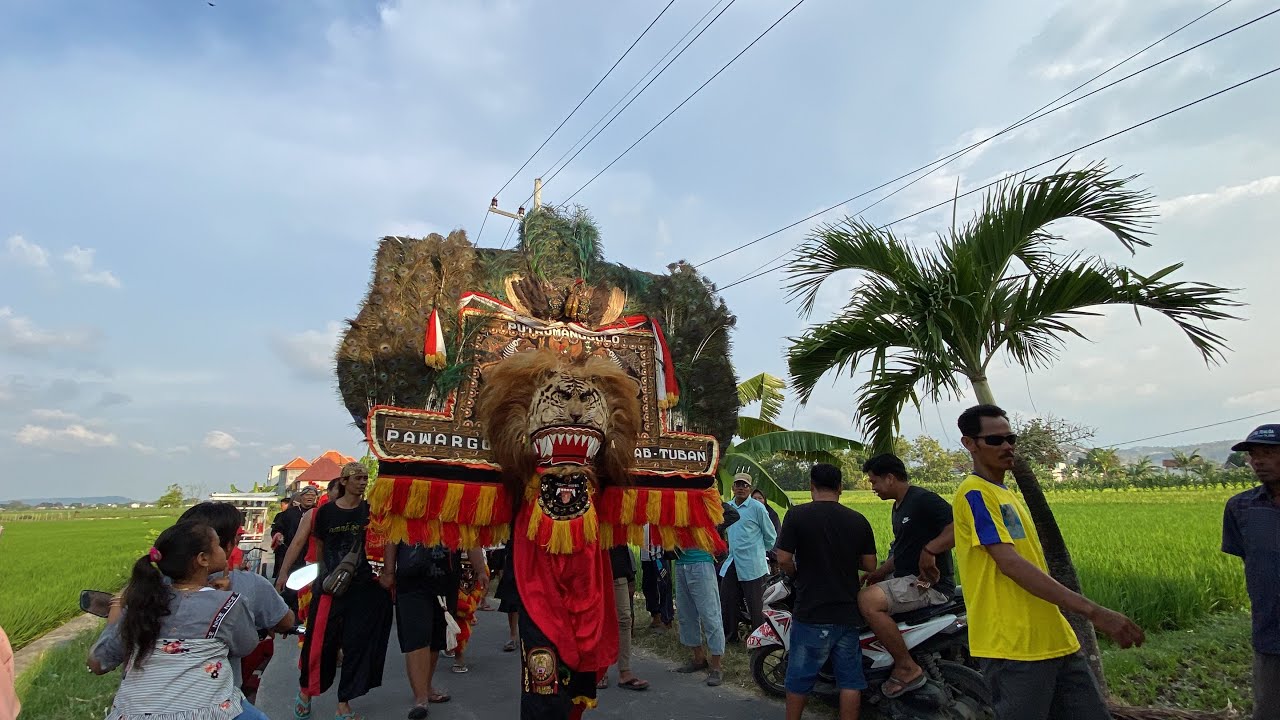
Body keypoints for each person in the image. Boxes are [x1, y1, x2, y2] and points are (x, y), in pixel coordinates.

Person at [952, 404, 1143, 720]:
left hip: (1055, 640)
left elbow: (966, 534)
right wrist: (1094, 612)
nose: (1007, 446)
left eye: (1010, 438)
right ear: (969, 444)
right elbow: (1010, 564)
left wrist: (931, 547)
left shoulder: (1004, 494)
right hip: (1015, 648)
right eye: (995, 441)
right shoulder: (975, 493)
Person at [87, 521, 265, 720]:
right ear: (203, 559)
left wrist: (115, 617)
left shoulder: (142, 605)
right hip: (207, 713)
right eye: (217, 545)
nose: (224, 550)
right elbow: (247, 645)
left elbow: (98, 662)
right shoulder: (228, 603)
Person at [775, 463, 877, 720]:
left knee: (799, 678)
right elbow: (869, 564)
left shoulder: (796, 515)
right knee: (850, 681)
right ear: (840, 488)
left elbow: (784, 558)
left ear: (811, 487)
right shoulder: (858, 520)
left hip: (811, 611)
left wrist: (796, 574)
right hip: (847, 613)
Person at [292, 462, 393, 720]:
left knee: (356, 645)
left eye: (365, 478)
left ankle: (343, 704)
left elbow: (391, 536)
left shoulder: (371, 512)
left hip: (362, 586)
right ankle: (306, 691)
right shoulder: (322, 514)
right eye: (357, 478)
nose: (362, 482)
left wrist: (388, 573)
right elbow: (314, 547)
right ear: (344, 481)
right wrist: (283, 575)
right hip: (329, 588)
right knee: (320, 643)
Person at [857, 453, 955, 698]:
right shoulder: (899, 507)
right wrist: (879, 572)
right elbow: (903, 550)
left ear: (890, 478)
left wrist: (931, 549)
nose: (873, 488)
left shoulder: (923, 499)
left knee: (867, 601)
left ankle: (906, 667)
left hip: (929, 584)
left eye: (874, 482)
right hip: (906, 578)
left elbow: (963, 526)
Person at [179, 502, 296, 707]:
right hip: (217, 703)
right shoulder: (245, 586)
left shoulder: (147, 589)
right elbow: (249, 644)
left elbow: (103, 660)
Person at [1221, 423, 1280, 720]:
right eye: (1254, 454)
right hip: (1271, 630)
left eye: (1268, 453)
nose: (1258, 461)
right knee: (1269, 709)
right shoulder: (1240, 507)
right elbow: (1254, 561)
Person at [381, 543, 457, 717]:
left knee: (436, 637)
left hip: (446, 579)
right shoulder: (403, 513)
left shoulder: (454, 513)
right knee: (417, 637)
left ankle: (427, 687)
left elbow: (469, 534)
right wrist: (389, 572)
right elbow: (392, 537)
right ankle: (420, 698)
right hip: (412, 579)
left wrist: (480, 569)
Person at [720, 473, 777, 643]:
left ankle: (758, 640)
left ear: (749, 488)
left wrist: (760, 552)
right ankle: (730, 637)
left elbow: (770, 535)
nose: (740, 488)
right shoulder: (727, 507)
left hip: (753, 563)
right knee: (727, 600)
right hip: (732, 560)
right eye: (737, 484)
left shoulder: (757, 508)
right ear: (733, 487)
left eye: (744, 485)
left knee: (755, 605)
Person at [671, 538, 726, 687]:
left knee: (710, 615)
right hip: (680, 563)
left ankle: (716, 666)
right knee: (685, 614)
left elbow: (731, 515)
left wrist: (709, 529)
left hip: (701, 562)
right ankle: (698, 658)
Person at [600, 544, 650, 691]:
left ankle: (625, 672)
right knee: (599, 621)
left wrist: (630, 575)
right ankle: (600, 670)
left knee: (624, 619)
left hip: (618, 570)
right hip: (594, 570)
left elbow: (622, 542)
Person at [640, 530, 674, 631]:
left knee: (664, 586)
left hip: (659, 554)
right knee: (647, 586)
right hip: (645, 554)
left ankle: (667, 619)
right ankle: (655, 616)